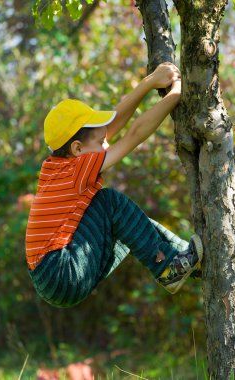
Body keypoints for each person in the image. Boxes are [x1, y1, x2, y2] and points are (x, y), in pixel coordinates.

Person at [26, 62, 203, 308]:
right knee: (109, 202)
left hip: (51, 277)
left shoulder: (60, 166)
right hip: (61, 271)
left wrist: (150, 82)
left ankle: (187, 262)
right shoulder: (74, 169)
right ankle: (168, 268)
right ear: (77, 149)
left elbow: (112, 124)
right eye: (101, 142)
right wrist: (177, 93)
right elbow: (134, 135)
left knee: (128, 223)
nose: (107, 145)